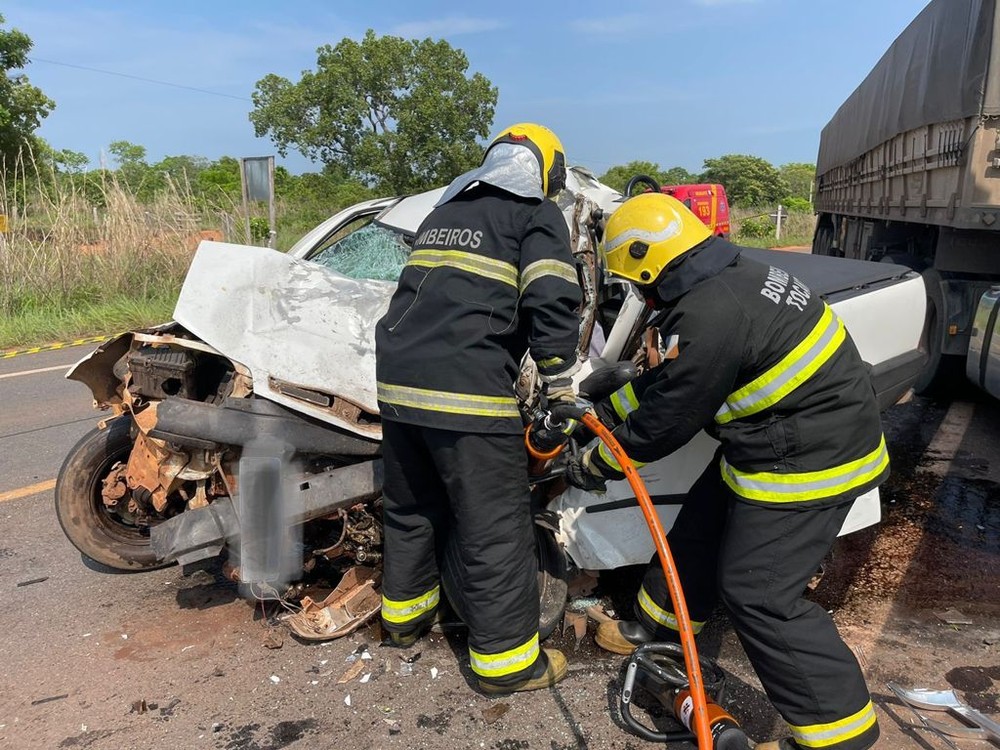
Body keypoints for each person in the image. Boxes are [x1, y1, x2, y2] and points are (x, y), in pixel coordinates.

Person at [566, 192, 887, 750]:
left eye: (637, 282)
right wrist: (604, 405)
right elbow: (676, 377)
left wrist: (595, 459)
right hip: (775, 439)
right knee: (699, 527)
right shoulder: (731, 275)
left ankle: (841, 735)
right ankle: (658, 631)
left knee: (759, 593)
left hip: (810, 459)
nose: (640, 295)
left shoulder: (711, 309)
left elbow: (670, 417)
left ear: (649, 264)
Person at [374, 123, 582, 694]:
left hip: (397, 386)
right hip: (467, 391)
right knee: (493, 526)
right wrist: (562, 387)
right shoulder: (534, 213)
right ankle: (508, 665)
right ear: (545, 169)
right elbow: (551, 297)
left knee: (413, 508)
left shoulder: (443, 210)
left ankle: (404, 622)